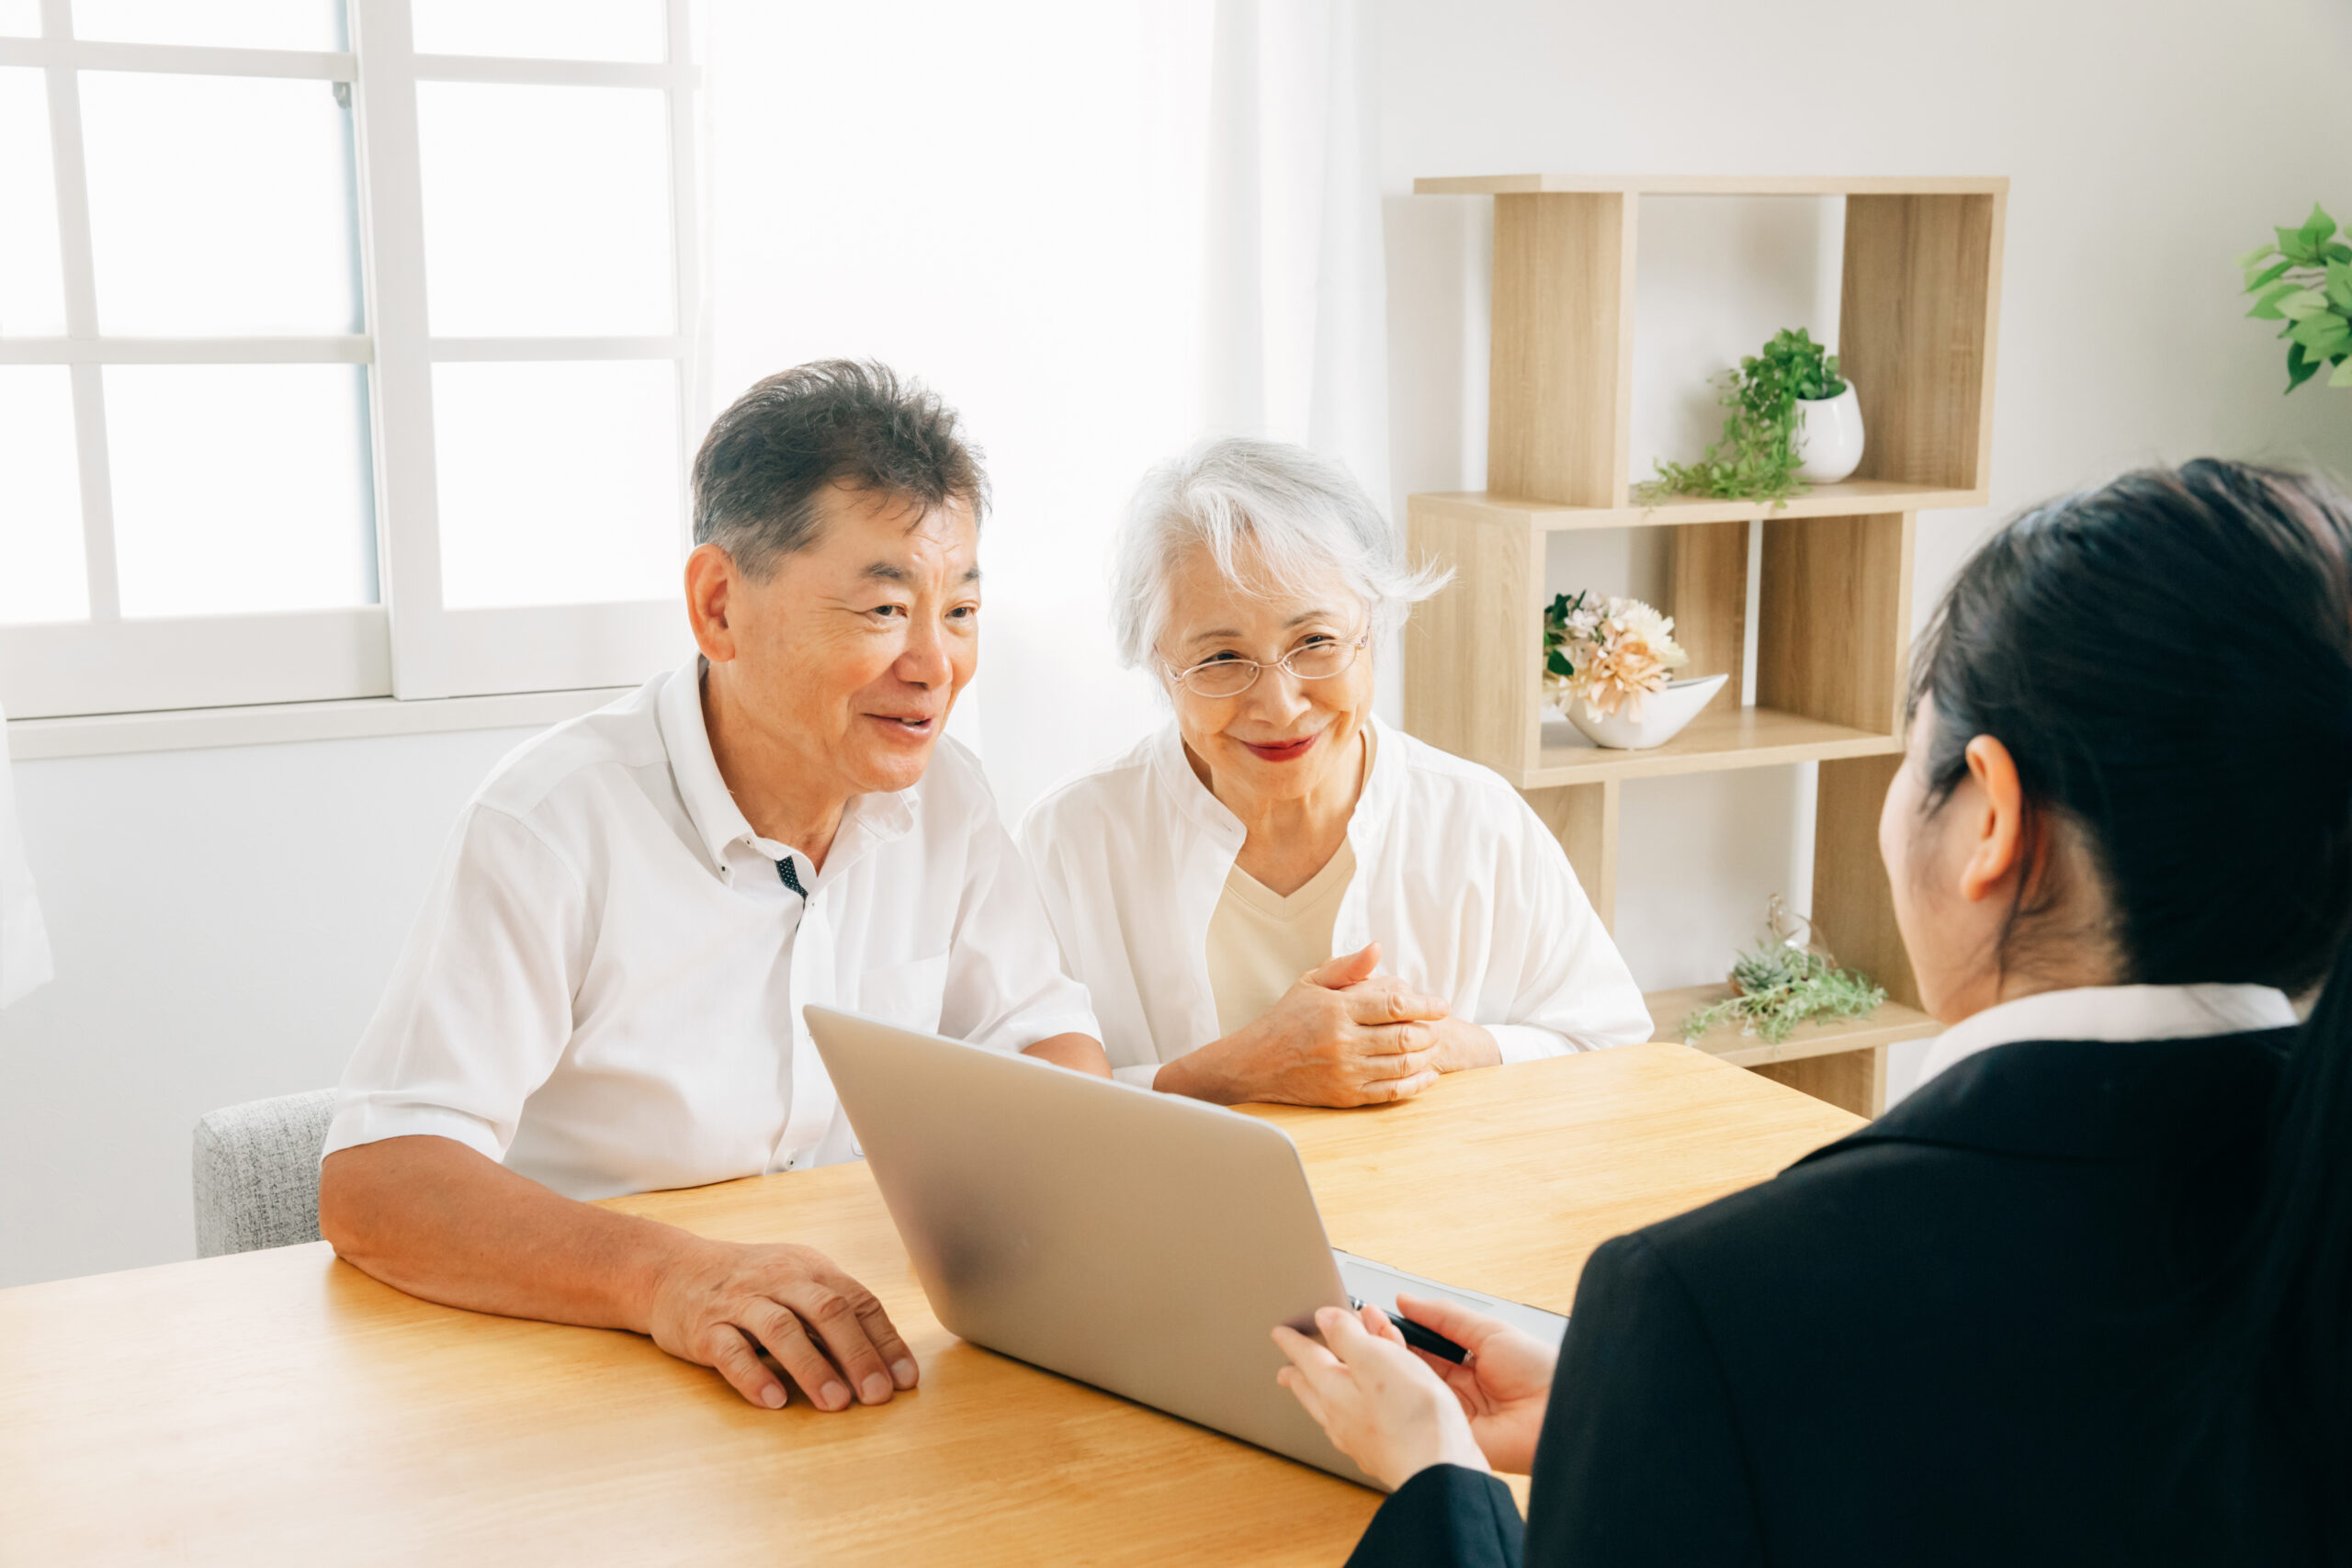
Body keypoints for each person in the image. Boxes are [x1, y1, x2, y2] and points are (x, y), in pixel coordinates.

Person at [1273, 459, 2352, 1564]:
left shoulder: (1721, 1297)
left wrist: (1439, 1476)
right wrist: (1635, 1411)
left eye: (1908, 751)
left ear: (1990, 818)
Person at [319, 360, 1109, 1417]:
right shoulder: (552, 822)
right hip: (585, 1375)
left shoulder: (947, 796)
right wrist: (668, 1275)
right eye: (883, 607)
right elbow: (380, 1184)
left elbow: (1041, 1036)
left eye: (960, 609)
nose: (936, 664)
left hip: (844, 1350)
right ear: (719, 606)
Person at [1019, 438, 1648, 1108]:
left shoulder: (1476, 820)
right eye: (1221, 658)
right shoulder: (1072, 840)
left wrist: (1445, 1048)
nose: (1280, 704)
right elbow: (1012, 1107)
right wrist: (1236, 1069)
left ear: (1373, 626)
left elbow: (1613, 1052)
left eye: (1314, 642)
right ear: (1157, 663)